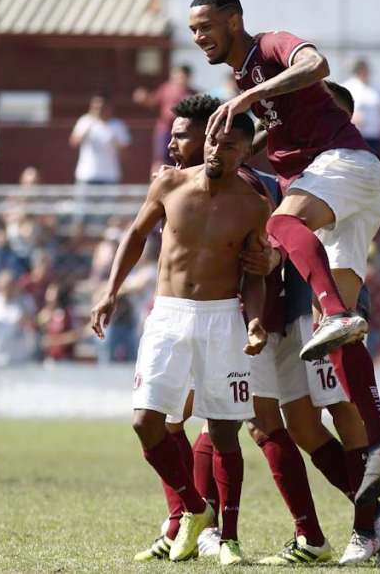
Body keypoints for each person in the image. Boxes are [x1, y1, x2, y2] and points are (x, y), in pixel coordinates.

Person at [144, 93, 380, 566]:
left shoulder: (332, 172)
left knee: (323, 416)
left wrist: (275, 265)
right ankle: (204, 525)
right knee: (284, 425)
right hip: (274, 312)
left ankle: (357, 524)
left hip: (317, 308)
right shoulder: (271, 174)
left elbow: (287, 238)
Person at [188, 0, 380, 509]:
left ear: (234, 19)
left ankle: (335, 313)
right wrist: (238, 150)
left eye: (205, 26)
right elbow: (276, 133)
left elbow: (316, 63)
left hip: (343, 166)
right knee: (340, 338)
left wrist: (244, 101)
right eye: (193, 30)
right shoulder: (248, 80)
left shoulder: (268, 47)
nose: (199, 37)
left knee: (282, 227)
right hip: (337, 188)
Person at [90, 112, 269, 566]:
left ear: (245, 152)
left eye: (229, 145)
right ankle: (194, 507)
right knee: (145, 421)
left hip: (222, 319)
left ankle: (229, 538)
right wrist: (109, 291)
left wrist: (254, 320)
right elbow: (135, 234)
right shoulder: (169, 184)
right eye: (212, 140)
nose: (216, 150)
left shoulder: (253, 204)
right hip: (168, 315)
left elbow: (254, 273)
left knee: (225, 430)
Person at [134, 64, 198, 169]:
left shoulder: (193, 93)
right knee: (161, 159)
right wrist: (144, 99)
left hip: (184, 132)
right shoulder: (165, 89)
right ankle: (156, 182)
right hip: (165, 130)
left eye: (181, 76)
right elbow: (153, 102)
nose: (178, 78)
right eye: (176, 75)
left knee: (183, 159)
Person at [69, 93, 130, 185]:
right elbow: (74, 143)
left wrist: (115, 142)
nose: (99, 110)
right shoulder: (85, 121)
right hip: (86, 175)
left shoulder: (117, 125)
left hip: (110, 177)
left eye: (101, 107)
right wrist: (88, 127)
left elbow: (125, 154)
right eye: (95, 107)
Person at [0, 270, 35, 366]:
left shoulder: (25, 302)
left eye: (10, 286)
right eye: (5, 286)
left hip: (19, 356)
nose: (8, 289)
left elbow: (31, 322)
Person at [343, 59, 380, 164]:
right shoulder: (349, 86)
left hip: (374, 133)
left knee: (373, 162)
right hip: (357, 134)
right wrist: (353, 117)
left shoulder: (376, 88)